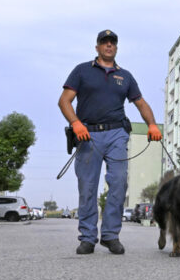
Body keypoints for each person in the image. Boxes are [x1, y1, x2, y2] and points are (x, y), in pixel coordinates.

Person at [58, 29, 162, 255]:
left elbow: (140, 103)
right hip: (88, 134)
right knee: (88, 187)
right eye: (104, 42)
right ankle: (87, 237)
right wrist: (76, 123)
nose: (108, 46)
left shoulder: (125, 76)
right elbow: (64, 101)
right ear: (97, 47)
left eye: (112, 43)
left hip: (116, 134)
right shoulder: (82, 71)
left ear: (116, 47)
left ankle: (110, 235)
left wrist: (152, 124)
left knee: (118, 182)